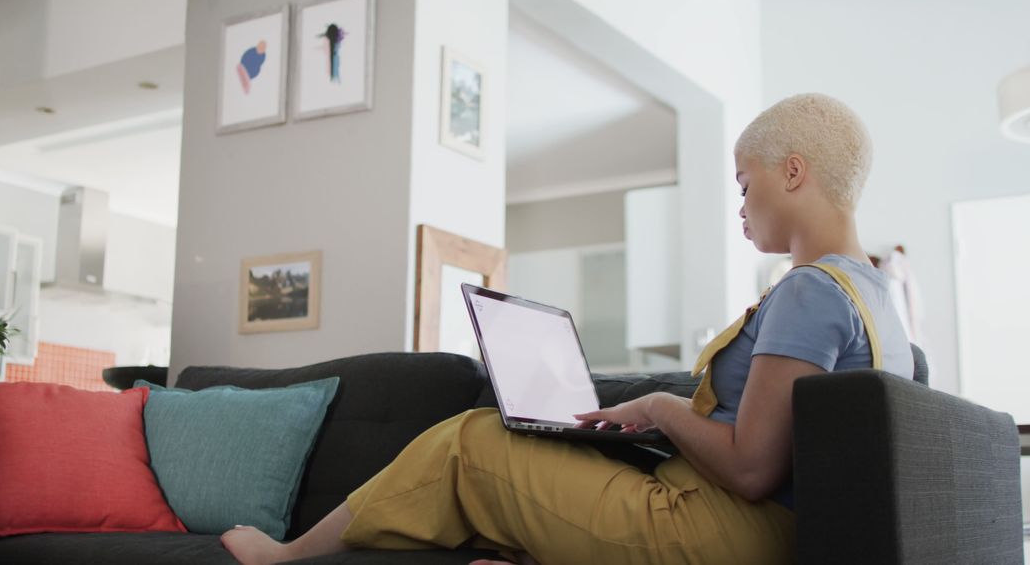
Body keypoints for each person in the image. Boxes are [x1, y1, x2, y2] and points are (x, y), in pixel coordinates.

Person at [220, 93, 915, 565]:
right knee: (546, 454)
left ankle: (287, 556)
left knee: (471, 438)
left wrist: (661, 407)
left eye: (744, 183)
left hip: (722, 530)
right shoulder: (879, 299)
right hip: (767, 527)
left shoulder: (805, 292)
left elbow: (754, 468)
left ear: (792, 173)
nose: (741, 205)